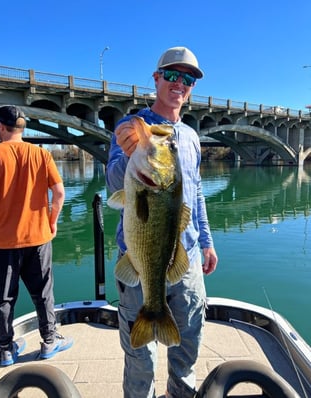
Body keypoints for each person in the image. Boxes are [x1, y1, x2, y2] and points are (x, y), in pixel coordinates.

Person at [106, 47, 218, 397]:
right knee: (140, 359)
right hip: (139, 258)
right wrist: (129, 156)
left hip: (186, 259)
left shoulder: (192, 137)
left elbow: (196, 194)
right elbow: (112, 183)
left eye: (187, 79)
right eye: (172, 75)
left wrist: (207, 241)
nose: (179, 83)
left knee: (188, 346)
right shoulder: (130, 128)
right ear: (156, 79)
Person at [0, 105, 73, 367]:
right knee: (43, 293)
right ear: (22, 127)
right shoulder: (41, 154)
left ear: (0, 127)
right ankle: (49, 341)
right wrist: (52, 222)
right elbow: (59, 193)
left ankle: (5, 349)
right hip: (38, 238)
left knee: (4, 298)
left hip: (1, 242)